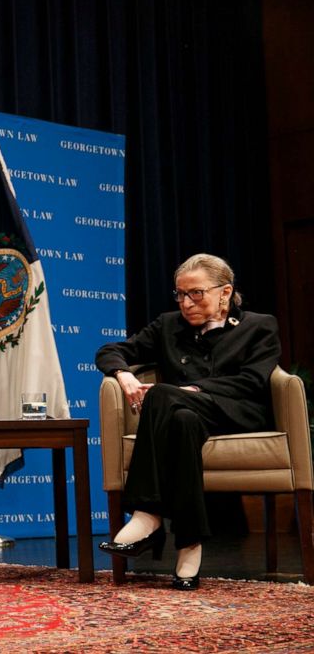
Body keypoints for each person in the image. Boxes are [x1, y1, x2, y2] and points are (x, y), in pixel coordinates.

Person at [95, 253, 280, 590]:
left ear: (225, 292)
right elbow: (110, 350)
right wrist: (123, 376)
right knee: (180, 418)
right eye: (180, 294)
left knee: (164, 396)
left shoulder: (258, 325)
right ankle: (189, 545)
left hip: (235, 414)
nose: (186, 302)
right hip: (187, 416)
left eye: (196, 293)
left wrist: (193, 389)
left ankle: (146, 516)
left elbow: (253, 381)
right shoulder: (168, 326)